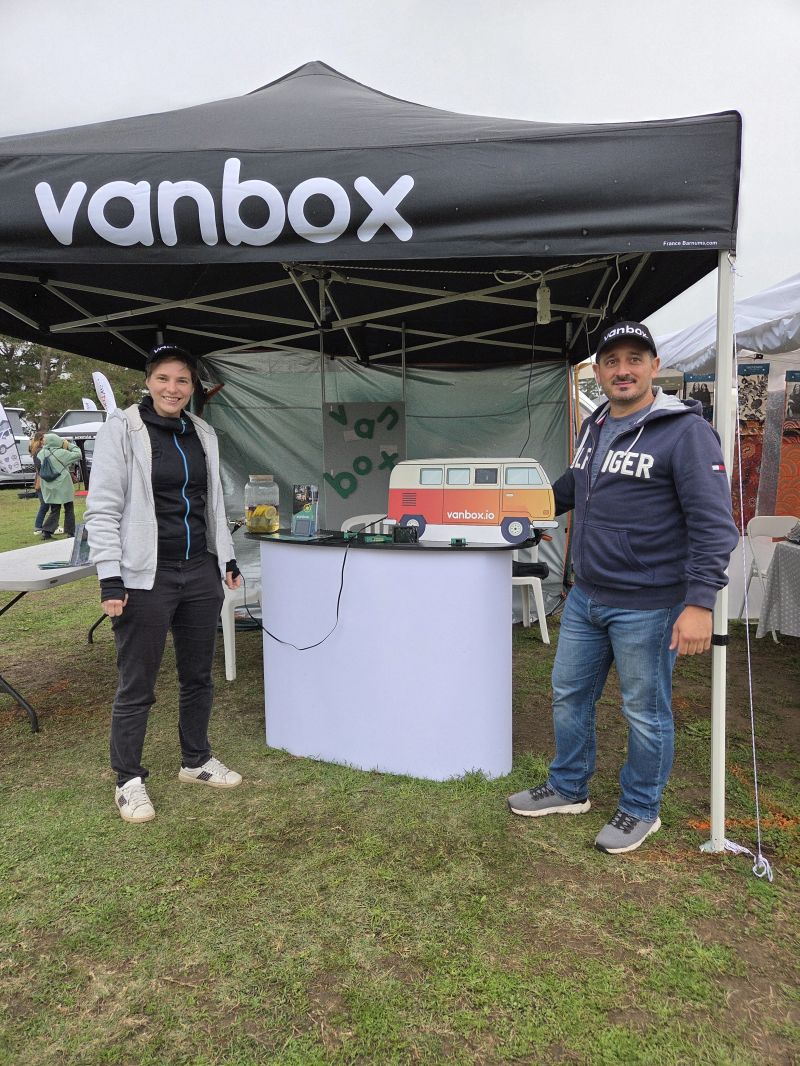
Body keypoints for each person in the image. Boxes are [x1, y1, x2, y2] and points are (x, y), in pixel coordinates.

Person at [508, 321, 739, 854]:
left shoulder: (685, 431)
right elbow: (575, 485)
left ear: (654, 367)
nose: (623, 370)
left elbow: (713, 525)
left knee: (644, 710)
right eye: (612, 362)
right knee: (569, 696)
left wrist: (700, 603)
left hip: (651, 605)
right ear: (598, 372)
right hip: (588, 596)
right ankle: (569, 788)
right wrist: (525, 508)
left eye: (635, 359)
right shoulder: (595, 425)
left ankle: (640, 808)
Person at [85, 344, 243, 824]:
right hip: (145, 576)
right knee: (138, 683)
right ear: (148, 381)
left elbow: (212, 502)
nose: (173, 389)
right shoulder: (123, 430)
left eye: (182, 381)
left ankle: (195, 760)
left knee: (199, 676)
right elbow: (104, 506)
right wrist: (110, 577)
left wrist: (227, 558)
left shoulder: (202, 432)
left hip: (199, 572)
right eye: (164, 379)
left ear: (191, 388)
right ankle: (127, 780)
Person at [37, 432, 82, 539]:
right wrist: (67, 444)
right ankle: (70, 532)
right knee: (69, 508)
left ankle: (47, 531)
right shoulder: (62, 453)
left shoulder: (42, 453)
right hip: (63, 484)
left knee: (54, 509)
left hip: (49, 485)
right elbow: (78, 453)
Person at [29, 431, 54, 535]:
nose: (45, 440)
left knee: (45, 504)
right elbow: (40, 467)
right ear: (40, 440)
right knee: (45, 505)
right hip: (41, 480)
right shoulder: (39, 451)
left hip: (40, 479)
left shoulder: (36, 450)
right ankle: (39, 527)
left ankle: (41, 526)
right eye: (44, 439)